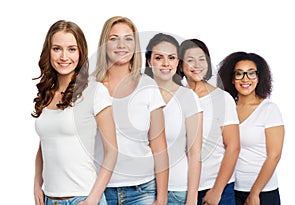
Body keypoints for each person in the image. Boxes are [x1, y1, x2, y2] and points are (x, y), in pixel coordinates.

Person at [32, 20, 118, 205]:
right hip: (49, 199)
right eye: (57, 49)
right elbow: (45, 144)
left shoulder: (95, 91)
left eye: (71, 49)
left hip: (83, 197)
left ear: (81, 52)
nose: (64, 56)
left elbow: (112, 152)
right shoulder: (46, 94)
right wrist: (36, 184)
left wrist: (92, 199)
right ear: (49, 52)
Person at [92, 16, 169, 205]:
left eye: (128, 38)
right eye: (113, 38)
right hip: (97, 190)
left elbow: (159, 145)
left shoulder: (148, 86)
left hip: (141, 191)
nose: (121, 45)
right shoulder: (89, 86)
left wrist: (162, 197)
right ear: (104, 44)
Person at [177, 39, 240, 205]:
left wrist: (217, 191)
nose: (197, 64)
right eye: (190, 60)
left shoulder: (222, 99)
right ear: (181, 65)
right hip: (182, 188)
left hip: (216, 187)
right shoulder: (176, 98)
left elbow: (233, 147)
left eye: (202, 59)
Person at [217, 51, 285, 205]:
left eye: (251, 73)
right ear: (232, 79)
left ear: (258, 77)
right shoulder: (227, 108)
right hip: (231, 189)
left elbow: (274, 155)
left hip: (263, 192)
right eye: (239, 74)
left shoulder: (269, 109)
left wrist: (255, 193)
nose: (245, 79)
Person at [145, 33, 203, 204]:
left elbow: (194, 152)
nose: (165, 63)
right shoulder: (139, 95)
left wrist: (192, 198)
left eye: (171, 58)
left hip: (177, 190)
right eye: (158, 57)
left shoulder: (188, 98)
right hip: (142, 189)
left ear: (177, 62)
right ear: (149, 61)